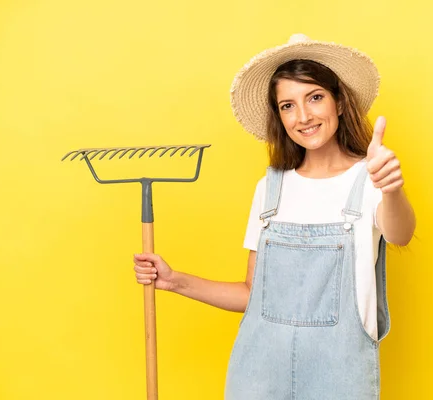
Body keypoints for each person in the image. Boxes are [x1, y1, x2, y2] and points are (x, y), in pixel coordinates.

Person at [133, 34, 415, 399]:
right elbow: (254, 295)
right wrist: (175, 281)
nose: (303, 116)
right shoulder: (270, 190)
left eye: (315, 97)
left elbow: (401, 233)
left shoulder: (370, 177)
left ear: (340, 102)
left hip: (339, 375)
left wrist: (390, 187)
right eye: (287, 106)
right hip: (258, 375)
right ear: (279, 116)